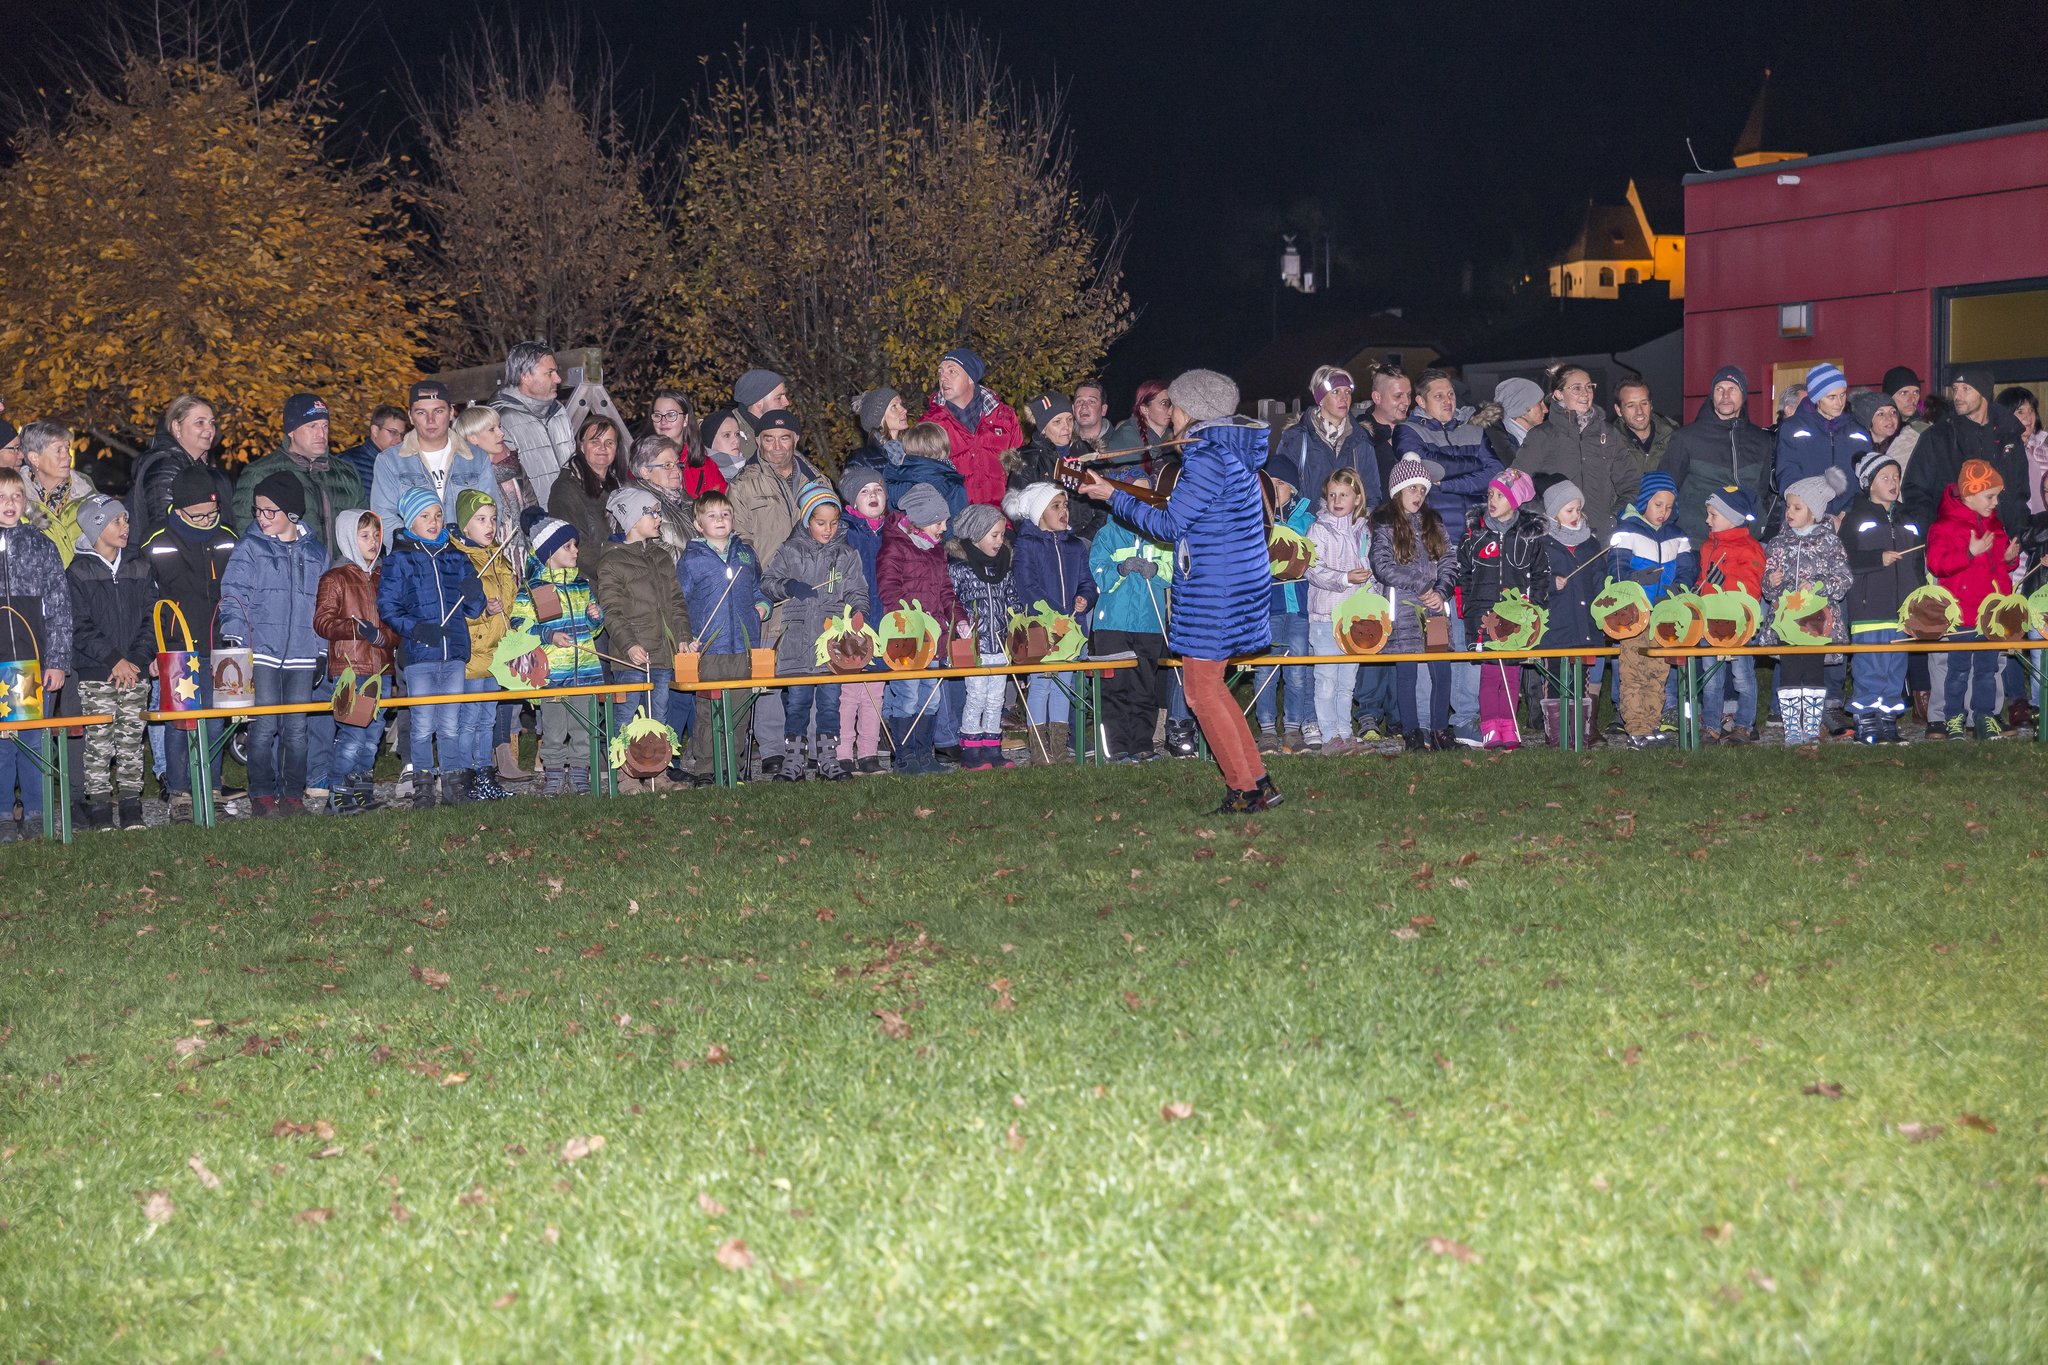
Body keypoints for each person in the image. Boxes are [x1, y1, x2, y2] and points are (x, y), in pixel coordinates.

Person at [1077, 370, 1278, 812]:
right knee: (1214, 688)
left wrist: (1113, 496)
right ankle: (1258, 781)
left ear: (1191, 409)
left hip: (1214, 589)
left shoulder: (1208, 456)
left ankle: (1244, 791)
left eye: (1175, 405)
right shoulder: (1230, 451)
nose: (1170, 415)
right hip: (1233, 582)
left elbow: (1170, 526)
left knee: (1200, 692)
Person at [1395, 369, 1500, 745]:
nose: (1447, 400)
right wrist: (1466, 475)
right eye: (1438, 395)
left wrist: (1445, 482)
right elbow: (1419, 473)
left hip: (1473, 541)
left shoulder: (1473, 431)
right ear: (1420, 401)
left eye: (1450, 394)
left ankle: (1466, 717)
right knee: (1432, 634)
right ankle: (1426, 721)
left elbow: (1495, 472)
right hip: (1431, 545)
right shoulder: (1408, 431)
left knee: (1470, 631)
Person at [220, 474, 330, 817]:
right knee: (263, 726)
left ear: (292, 513)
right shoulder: (249, 548)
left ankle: (293, 795)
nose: (261, 517)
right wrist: (235, 639)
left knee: (297, 730)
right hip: (262, 652)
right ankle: (262, 794)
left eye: (270, 511)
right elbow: (234, 595)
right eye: (258, 510)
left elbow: (323, 605)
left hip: (302, 653)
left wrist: (322, 650)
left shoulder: (316, 552)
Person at [378, 488, 487, 807]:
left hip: (453, 653)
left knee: (451, 723)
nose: (434, 521)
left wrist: (474, 592)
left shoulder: (456, 557)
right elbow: (388, 607)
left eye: (438, 515)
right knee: (423, 723)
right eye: (425, 515)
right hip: (420, 654)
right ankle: (423, 786)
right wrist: (416, 629)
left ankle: (452, 785)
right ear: (410, 521)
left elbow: (474, 609)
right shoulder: (399, 559)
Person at [729, 408, 823, 778]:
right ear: (758, 441)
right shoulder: (744, 483)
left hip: (812, 591)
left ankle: (811, 742)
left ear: (796, 439)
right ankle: (771, 748)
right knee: (767, 669)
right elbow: (739, 541)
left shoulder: (816, 479)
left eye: (785, 438)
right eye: (768, 438)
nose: (777, 446)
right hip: (768, 589)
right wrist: (758, 585)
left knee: (810, 668)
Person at [143, 465, 239, 822]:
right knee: (179, 722)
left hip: (219, 647)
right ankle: (180, 793)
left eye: (212, 513)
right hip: (177, 649)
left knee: (215, 721)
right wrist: (152, 650)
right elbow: (147, 601)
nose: (207, 521)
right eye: (198, 516)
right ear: (180, 509)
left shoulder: (227, 537)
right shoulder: (157, 542)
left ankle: (211, 789)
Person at [763, 482, 868, 781]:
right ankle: (793, 761)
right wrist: (789, 586)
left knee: (830, 704)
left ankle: (827, 760)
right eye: (821, 523)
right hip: (797, 642)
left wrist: (859, 611)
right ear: (807, 520)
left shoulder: (846, 554)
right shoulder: (790, 550)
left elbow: (858, 589)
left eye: (833, 523)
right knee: (797, 703)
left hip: (832, 645)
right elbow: (768, 582)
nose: (828, 529)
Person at [594, 486, 693, 792]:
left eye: (658, 512)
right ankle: (624, 775)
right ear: (633, 520)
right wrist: (628, 645)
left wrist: (682, 636)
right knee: (626, 715)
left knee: (658, 714)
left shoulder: (661, 557)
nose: (659, 518)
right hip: (632, 656)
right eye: (652, 513)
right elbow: (611, 610)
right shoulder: (612, 561)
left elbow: (676, 602)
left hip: (661, 652)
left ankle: (656, 773)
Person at [66, 495, 152, 832]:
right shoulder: (77, 572)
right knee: (98, 742)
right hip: (97, 672)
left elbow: (152, 617)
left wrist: (137, 660)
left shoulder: (140, 566)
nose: (125, 526)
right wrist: (113, 659)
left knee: (131, 739)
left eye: (126, 519)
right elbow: (78, 624)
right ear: (96, 528)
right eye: (117, 521)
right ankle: (100, 806)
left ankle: (131, 805)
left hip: (135, 670)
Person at [0, 467, 74, 841]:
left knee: (31, 740)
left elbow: (59, 608)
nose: (9, 504)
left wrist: (57, 661)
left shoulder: (40, 546)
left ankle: (35, 811)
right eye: (1, 497)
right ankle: (2, 813)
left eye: (16, 496)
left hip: (29, 665)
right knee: (1, 744)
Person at [508, 512, 604, 794]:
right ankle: (553, 775)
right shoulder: (533, 589)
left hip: (584, 672)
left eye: (575, 545)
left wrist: (595, 618)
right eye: (568, 546)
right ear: (549, 552)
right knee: (553, 729)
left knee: (583, 727)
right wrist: (549, 635)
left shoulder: (581, 586)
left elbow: (594, 631)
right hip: (551, 675)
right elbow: (519, 626)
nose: (575, 551)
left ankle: (579, 774)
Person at [1368, 457, 1458, 753]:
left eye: (1422, 489)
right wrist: (1421, 584)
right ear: (1398, 491)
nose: (1418, 495)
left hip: (1434, 607)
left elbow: (1449, 560)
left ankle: (1440, 730)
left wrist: (1441, 591)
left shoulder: (1434, 522)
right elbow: (1382, 565)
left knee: (1441, 669)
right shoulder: (1384, 522)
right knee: (1406, 672)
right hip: (1404, 609)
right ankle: (1411, 733)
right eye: (1412, 489)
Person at [676, 491, 767, 782]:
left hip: (742, 645)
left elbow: (758, 588)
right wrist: (687, 635)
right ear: (698, 524)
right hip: (709, 647)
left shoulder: (745, 553)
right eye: (712, 515)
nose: (720, 520)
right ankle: (707, 767)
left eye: (726, 514)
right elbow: (680, 601)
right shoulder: (691, 559)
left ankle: (732, 767)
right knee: (708, 710)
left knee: (739, 709)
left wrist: (762, 606)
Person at [876, 482, 965, 776]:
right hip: (906, 638)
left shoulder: (936, 551)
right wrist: (912, 619)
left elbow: (946, 591)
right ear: (921, 520)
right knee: (908, 696)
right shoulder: (895, 547)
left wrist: (959, 619)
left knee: (931, 697)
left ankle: (925, 754)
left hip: (933, 638)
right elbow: (889, 589)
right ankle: (905, 756)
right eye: (939, 522)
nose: (944, 528)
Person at [313, 510, 400, 814]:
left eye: (376, 535)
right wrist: (355, 628)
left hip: (380, 670)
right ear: (349, 537)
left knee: (373, 735)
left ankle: (361, 791)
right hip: (351, 670)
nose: (373, 541)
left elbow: (395, 624)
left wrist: (381, 637)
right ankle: (338, 795)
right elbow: (322, 622)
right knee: (352, 735)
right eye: (365, 536)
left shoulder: (383, 578)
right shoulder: (335, 578)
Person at [1004, 481, 1096, 763]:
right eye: (1055, 506)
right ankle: (1039, 750)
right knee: (1041, 685)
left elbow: (1087, 581)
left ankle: (1058, 747)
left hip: (1070, 631)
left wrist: (1084, 598)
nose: (1063, 511)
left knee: (1062, 687)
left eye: (1065, 505)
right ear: (1039, 513)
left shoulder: (1075, 546)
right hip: (1041, 630)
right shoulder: (1027, 545)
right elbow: (1027, 586)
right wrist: (1056, 613)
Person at [1759, 468, 1852, 745]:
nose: (1789, 512)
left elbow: (1844, 578)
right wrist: (1771, 582)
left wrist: (1818, 585)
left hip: (1816, 622)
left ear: (1814, 512)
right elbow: (1767, 587)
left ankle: (1810, 729)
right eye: (1788, 506)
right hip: (1786, 622)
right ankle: (1792, 730)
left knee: (1812, 672)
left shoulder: (1829, 542)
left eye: (1797, 507)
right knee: (1789, 673)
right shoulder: (1778, 543)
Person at [1456, 468, 1547, 749]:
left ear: (1515, 501)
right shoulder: (1475, 533)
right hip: (1483, 614)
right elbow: (1463, 572)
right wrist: (1468, 607)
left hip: (1517, 617)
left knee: (1511, 672)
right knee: (1490, 672)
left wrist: (1534, 611)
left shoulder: (1529, 537)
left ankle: (1509, 726)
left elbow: (1540, 575)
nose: (1492, 500)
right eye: (1490, 494)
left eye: (1500, 495)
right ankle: (1490, 727)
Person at [1607, 470, 1696, 749]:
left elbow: (1687, 570)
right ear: (1645, 500)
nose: (1663, 512)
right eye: (1658, 505)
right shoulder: (1627, 531)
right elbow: (1616, 570)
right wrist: (1634, 580)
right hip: (1634, 616)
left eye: (1669, 507)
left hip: (1664, 616)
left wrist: (1677, 590)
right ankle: (1636, 728)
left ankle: (1651, 723)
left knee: (1658, 672)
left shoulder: (1677, 536)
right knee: (1633, 672)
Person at [1926, 459, 2015, 741]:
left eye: (1997, 496)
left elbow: (1999, 566)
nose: (1996, 502)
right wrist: (1968, 553)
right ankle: (1954, 718)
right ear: (1969, 494)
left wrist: (2008, 559)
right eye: (1990, 496)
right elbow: (1936, 564)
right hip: (1962, 613)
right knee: (1958, 670)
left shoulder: (1995, 525)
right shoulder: (1945, 526)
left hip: (1991, 614)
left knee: (1988, 670)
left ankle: (1984, 717)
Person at [1087, 479, 1172, 763]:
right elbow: (1098, 575)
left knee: (1144, 687)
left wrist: (1156, 569)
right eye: (1135, 493)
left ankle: (1142, 744)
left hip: (1149, 623)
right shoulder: (1108, 534)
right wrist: (1120, 569)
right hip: (1112, 624)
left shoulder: (1160, 534)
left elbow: (1175, 571)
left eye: (1146, 493)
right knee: (1114, 687)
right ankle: (1116, 746)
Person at [1841, 451, 1921, 744]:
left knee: (1895, 667)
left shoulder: (1907, 517)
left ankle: (1888, 720)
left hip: (1902, 609)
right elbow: (1844, 559)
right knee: (1870, 665)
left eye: (1896, 477)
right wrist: (1877, 558)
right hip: (1869, 607)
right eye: (1885, 477)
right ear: (1868, 483)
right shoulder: (1857, 518)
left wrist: (1920, 598)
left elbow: (1918, 561)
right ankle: (1866, 719)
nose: (1893, 482)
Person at [371, 382, 501, 550]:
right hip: (415, 560)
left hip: (468, 559)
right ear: (410, 416)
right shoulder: (389, 461)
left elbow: (492, 509)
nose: (430, 420)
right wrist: (421, 553)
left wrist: (470, 554)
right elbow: (384, 518)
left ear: (451, 412)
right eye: (421, 412)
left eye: (438, 411)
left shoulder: (476, 457)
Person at [1514, 365, 1640, 537]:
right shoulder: (1541, 435)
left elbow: (1631, 484)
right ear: (1559, 394)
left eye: (1589, 387)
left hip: (1600, 538)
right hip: (1557, 539)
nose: (1585, 393)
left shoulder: (1608, 434)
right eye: (1576, 388)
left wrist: (1613, 518)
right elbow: (1517, 485)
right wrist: (1547, 520)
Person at [232, 394, 362, 549]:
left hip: (341, 565)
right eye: (312, 426)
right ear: (291, 431)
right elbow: (248, 535)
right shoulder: (260, 473)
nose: (321, 434)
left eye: (325, 426)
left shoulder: (347, 473)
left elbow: (364, 528)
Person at [1661, 365, 1774, 543]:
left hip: (1745, 542)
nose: (1725, 396)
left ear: (1743, 395)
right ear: (1712, 396)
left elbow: (1761, 492)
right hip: (1698, 542)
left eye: (1732, 389)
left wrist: (1758, 523)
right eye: (1719, 389)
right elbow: (1664, 489)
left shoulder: (1761, 440)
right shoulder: (1686, 438)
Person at [1305, 468, 1373, 754]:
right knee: (1326, 680)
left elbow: (1370, 571)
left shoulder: (1363, 531)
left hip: (1355, 621)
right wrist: (1345, 578)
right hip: (1325, 618)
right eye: (1332, 495)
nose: (1337, 500)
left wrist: (1373, 605)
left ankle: (1345, 733)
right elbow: (1312, 569)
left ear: (1357, 498)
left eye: (1344, 495)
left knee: (1347, 681)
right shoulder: (1318, 529)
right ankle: (1329, 735)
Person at [947, 502, 1020, 770]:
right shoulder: (960, 568)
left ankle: (992, 747)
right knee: (976, 696)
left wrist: (1018, 622)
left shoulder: (1004, 566)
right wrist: (961, 624)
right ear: (977, 534)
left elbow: (1012, 599)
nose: (1000, 541)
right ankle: (971, 748)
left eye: (1002, 535)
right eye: (994, 535)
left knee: (996, 699)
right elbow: (951, 601)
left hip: (1000, 645)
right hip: (976, 646)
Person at [452, 491, 514, 802]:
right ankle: (465, 778)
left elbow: (510, 601)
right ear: (465, 525)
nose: (489, 526)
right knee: (469, 718)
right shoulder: (458, 559)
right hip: (473, 653)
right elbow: (453, 611)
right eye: (480, 519)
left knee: (487, 718)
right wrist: (482, 612)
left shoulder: (499, 558)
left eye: (493, 519)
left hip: (496, 653)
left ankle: (484, 773)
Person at [1695, 486, 1765, 744]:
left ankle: (1744, 725)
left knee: (1742, 676)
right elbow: (1703, 580)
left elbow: (1752, 588)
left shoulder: (1749, 548)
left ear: (1732, 517)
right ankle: (1711, 725)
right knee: (1711, 676)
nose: (1707, 520)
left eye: (1713, 515)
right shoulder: (1708, 546)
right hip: (1710, 622)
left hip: (1738, 623)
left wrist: (1725, 582)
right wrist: (1697, 591)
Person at [1253, 475, 1316, 754]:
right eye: (1269, 483)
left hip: (1299, 607)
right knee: (1266, 669)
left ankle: (1293, 729)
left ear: (1292, 488)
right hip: (1268, 607)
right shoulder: (1255, 520)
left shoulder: (1308, 521)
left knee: (1298, 671)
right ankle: (1267, 730)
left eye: (1280, 483)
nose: (1274, 488)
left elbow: (1316, 559)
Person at [1538, 481, 1601, 747]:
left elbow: (1599, 581)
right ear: (1554, 513)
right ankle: (1556, 735)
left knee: (1579, 681)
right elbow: (1532, 580)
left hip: (1583, 626)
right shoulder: (1543, 543)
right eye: (1569, 510)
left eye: (1577, 509)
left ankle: (1578, 734)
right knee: (1555, 679)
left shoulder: (1590, 544)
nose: (1575, 515)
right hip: (1555, 626)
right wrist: (1551, 583)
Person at [836, 467, 890, 775]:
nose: (873, 496)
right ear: (852, 500)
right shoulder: (845, 533)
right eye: (865, 491)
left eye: (878, 490)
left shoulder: (892, 533)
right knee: (849, 692)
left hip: (883, 620)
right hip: (852, 620)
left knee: (874, 691)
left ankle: (869, 751)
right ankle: (843, 752)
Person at [1272, 366, 1384, 511]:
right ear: (1320, 399)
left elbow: (1372, 493)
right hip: (1306, 524)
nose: (1344, 398)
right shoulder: (1296, 438)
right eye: (1336, 392)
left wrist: (1365, 519)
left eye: (1347, 392)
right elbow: (1279, 487)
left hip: (1350, 524)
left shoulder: (1361, 440)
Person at [128, 395, 234, 544]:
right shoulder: (165, 467)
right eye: (200, 423)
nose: (210, 429)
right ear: (177, 427)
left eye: (211, 423)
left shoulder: (193, 465)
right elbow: (164, 529)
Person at [924, 348, 1022, 507]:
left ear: (970, 378)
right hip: (956, 519)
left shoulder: (1005, 418)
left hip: (1000, 517)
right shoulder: (929, 425)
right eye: (940, 372)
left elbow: (1020, 474)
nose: (943, 377)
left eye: (951, 371)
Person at [1773, 363, 1868, 524]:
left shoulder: (1858, 432)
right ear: (1816, 398)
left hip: (1847, 519)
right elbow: (1787, 476)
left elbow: (1865, 478)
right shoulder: (1792, 428)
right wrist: (1813, 513)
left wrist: (1847, 512)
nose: (1839, 402)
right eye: (1831, 397)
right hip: (1805, 519)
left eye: (1842, 395)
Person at [856, 397, 968, 522]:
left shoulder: (900, 466)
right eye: (894, 406)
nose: (904, 410)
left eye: (901, 404)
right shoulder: (864, 458)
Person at [490, 343, 576, 506]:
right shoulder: (501, 419)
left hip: (570, 514)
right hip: (534, 519)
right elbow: (508, 486)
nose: (558, 379)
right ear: (525, 376)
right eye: (550, 373)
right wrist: (534, 517)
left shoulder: (558, 411)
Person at [547, 416, 629, 578]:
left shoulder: (619, 486)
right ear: (582, 446)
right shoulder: (566, 489)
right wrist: (616, 577)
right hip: (588, 582)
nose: (603, 448)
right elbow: (575, 548)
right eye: (595, 441)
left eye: (609, 443)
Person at [1016, 394, 1105, 540]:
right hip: (1046, 545)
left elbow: (1103, 506)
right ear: (1043, 428)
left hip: (1088, 542)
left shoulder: (1086, 453)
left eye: (1069, 419)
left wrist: (1084, 540)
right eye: (1057, 422)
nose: (1066, 427)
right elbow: (1019, 516)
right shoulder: (1027, 460)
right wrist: (1052, 544)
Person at [455, 404, 539, 546]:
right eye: (492, 429)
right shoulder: (465, 479)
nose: (501, 433)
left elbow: (533, 507)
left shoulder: (513, 466)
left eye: (499, 427)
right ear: (473, 438)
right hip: (490, 552)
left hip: (528, 548)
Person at [20, 421, 99, 567]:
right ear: (34, 458)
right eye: (58, 450)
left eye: (67, 449)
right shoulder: (14, 499)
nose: (67, 457)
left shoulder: (87, 494)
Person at [627, 434, 697, 558]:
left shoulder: (686, 501)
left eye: (677, 464)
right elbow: (655, 555)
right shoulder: (640, 507)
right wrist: (702, 561)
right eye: (667, 465)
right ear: (645, 472)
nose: (677, 471)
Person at [1106, 380, 1179, 479]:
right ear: (1144, 409)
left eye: (1173, 404)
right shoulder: (1125, 438)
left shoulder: (1177, 436)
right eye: (1164, 403)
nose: (1171, 410)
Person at [1613, 376, 1677, 485]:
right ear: (1618, 410)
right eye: (1631, 405)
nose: (1639, 411)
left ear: (1651, 405)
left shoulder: (1675, 437)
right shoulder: (1608, 444)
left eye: (1644, 403)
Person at [1362, 365, 1415, 496]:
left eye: (1408, 395)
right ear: (1377, 398)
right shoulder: (1360, 437)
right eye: (1398, 396)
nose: (1406, 402)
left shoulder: (1417, 430)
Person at [1996, 386, 2047, 516]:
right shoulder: (1999, 451)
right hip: (2019, 521)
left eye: (2031, 410)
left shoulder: (2044, 445)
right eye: (2020, 411)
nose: (2028, 417)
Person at [336, 405, 409, 493]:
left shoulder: (401, 466)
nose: (399, 440)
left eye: (402, 434)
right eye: (393, 432)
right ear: (375, 431)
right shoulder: (347, 463)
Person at [729, 368, 789, 465]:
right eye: (778, 398)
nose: (786, 402)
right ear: (758, 402)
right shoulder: (732, 438)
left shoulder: (780, 428)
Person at [1484, 378, 1546, 468]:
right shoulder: (1500, 447)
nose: (1545, 410)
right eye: (1540, 403)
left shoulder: (1536, 438)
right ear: (1521, 408)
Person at [698, 408, 748, 485]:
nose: (736, 441)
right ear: (710, 441)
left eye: (737, 434)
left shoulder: (752, 468)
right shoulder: (701, 477)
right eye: (727, 435)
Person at [1071, 381, 1112, 451]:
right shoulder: (1061, 444)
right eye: (1079, 401)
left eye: (1091, 402)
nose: (1084, 406)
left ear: (1103, 410)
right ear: (1073, 409)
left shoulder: (1118, 446)